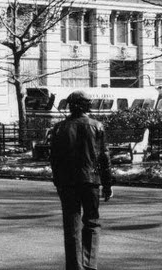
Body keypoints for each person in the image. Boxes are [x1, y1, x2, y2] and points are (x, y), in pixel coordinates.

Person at [49, 92, 114, 270]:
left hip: (67, 183)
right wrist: (107, 184)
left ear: (70, 106)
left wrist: (58, 181)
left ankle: (75, 266)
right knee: (92, 222)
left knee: (71, 226)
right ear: (87, 106)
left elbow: (54, 158)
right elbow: (104, 158)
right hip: (91, 180)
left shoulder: (59, 128)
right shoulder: (97, 126)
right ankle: (89, 264)